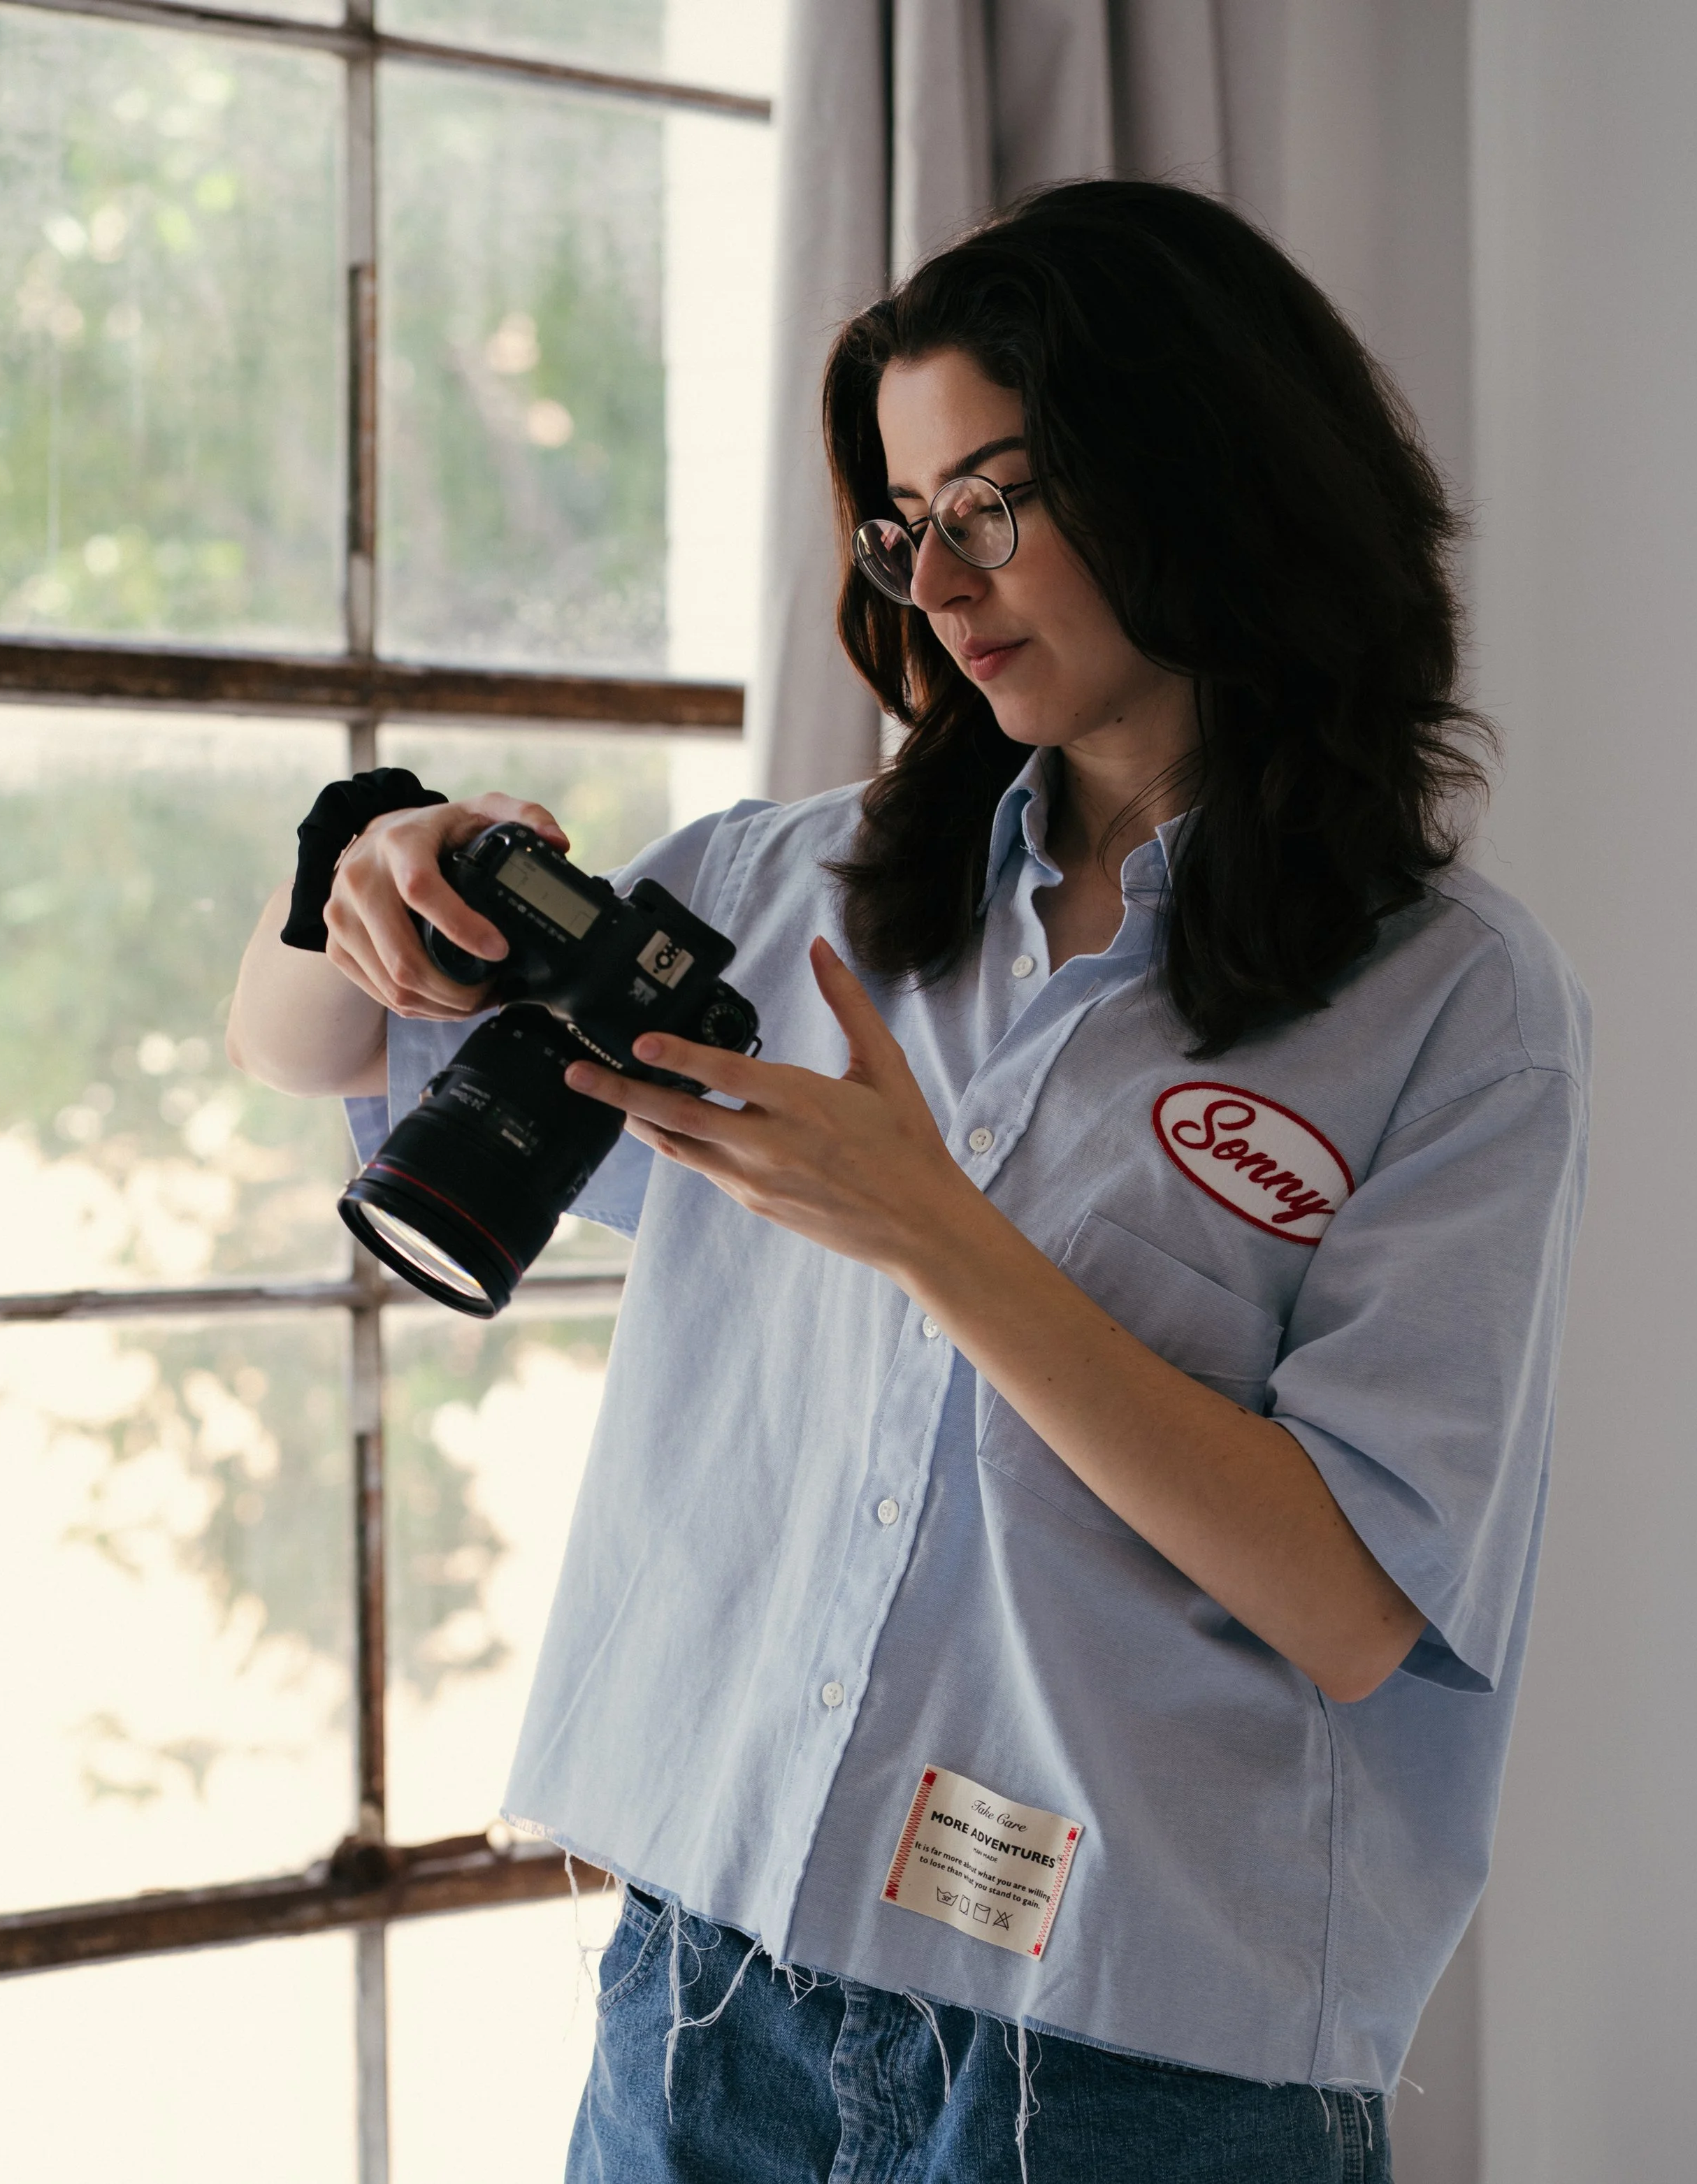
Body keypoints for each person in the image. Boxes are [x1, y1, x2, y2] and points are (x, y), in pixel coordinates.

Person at [229, 180, 1589, 2183]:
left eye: (995, 499)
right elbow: (314, 1052)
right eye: (902, 522)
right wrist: (357, 863)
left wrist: (931, 1227)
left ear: (1199, 468)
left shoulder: (1451, 1001)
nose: (939, 580)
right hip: (709, 1997)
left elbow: (1353, 1600)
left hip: (1132, 2072)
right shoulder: (782, 895)